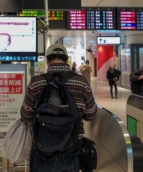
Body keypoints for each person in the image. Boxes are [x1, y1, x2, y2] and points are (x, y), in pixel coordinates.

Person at [21, 44, 97, 172]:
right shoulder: (80, 82)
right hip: (71, 148)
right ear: (66, 59)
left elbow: (26, 115)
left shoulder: (36, 82)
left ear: (47, 60)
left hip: (41, 150)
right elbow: (91, 115)